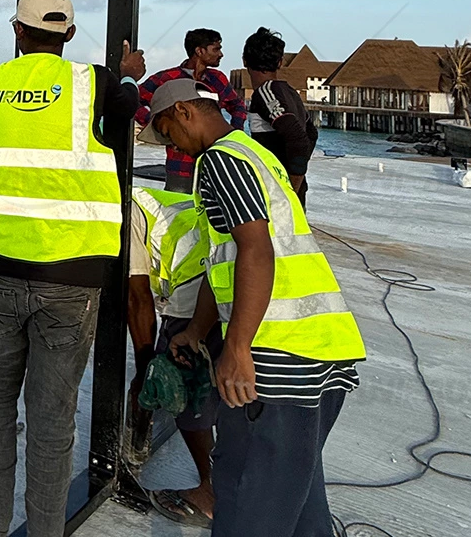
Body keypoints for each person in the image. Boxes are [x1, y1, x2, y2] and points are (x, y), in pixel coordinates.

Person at [140, 78, 368, 537]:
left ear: (184, 112)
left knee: (250, 499)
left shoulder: (220, 162)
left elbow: (255, 251)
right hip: (321, 347)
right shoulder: (255, 154)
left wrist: (238, 347)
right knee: (297, 499)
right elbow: (224, 258)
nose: (172, 146)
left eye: (167, 132)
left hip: (277, 355)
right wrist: (198, 329)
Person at [0, 0, 146, 537]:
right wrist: (129, 73)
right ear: (68, 35)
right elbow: (127, 108)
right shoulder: (92, 84)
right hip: (71, 279)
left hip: (1, 268)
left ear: (17, 31)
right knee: (52, 421)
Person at [124, 186, 217, 529]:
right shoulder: (145, 199)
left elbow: (137, 297)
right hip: (220, 272)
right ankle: (234, 481)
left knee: (182, 385)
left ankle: (210, 491)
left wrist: (145, 367)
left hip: (195, 281)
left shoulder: (122, 210)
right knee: (220, 384)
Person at [135, 28, 247, 193]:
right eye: (216, 49)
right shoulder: (166, 78)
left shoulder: (218, 79)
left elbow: (237, 104)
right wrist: (156, 125)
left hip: (214, 162)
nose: (221, 54)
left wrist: (235, 132)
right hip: (180, 165)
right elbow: (134, 99)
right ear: (199, 51)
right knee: (177, 208)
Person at [243, 27, 317, 207]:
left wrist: (289, 189)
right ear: (280, 63)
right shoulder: (290, 92)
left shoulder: (265, 93)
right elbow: (311, 134)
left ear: (244, 61)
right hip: (291, 194)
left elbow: (298, 139)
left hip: (276, 194)